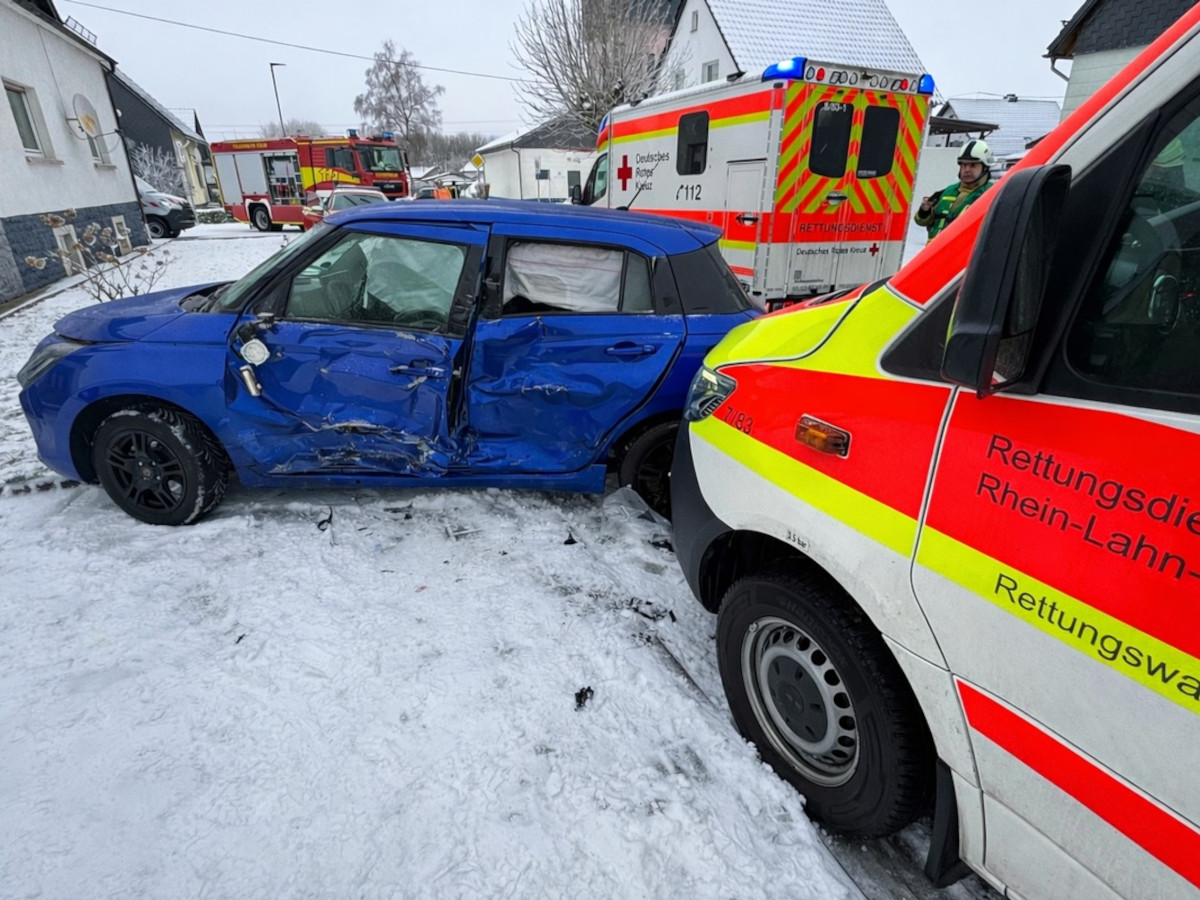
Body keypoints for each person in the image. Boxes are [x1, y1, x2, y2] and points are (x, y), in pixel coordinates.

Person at [914, 139, 995, 240]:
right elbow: (921, 221)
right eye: (964, 165)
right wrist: (924, 210)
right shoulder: (947, 191)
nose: (967, 170)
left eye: (973, 165)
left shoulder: (992, 194)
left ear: (985, 168)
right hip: (936, 254)